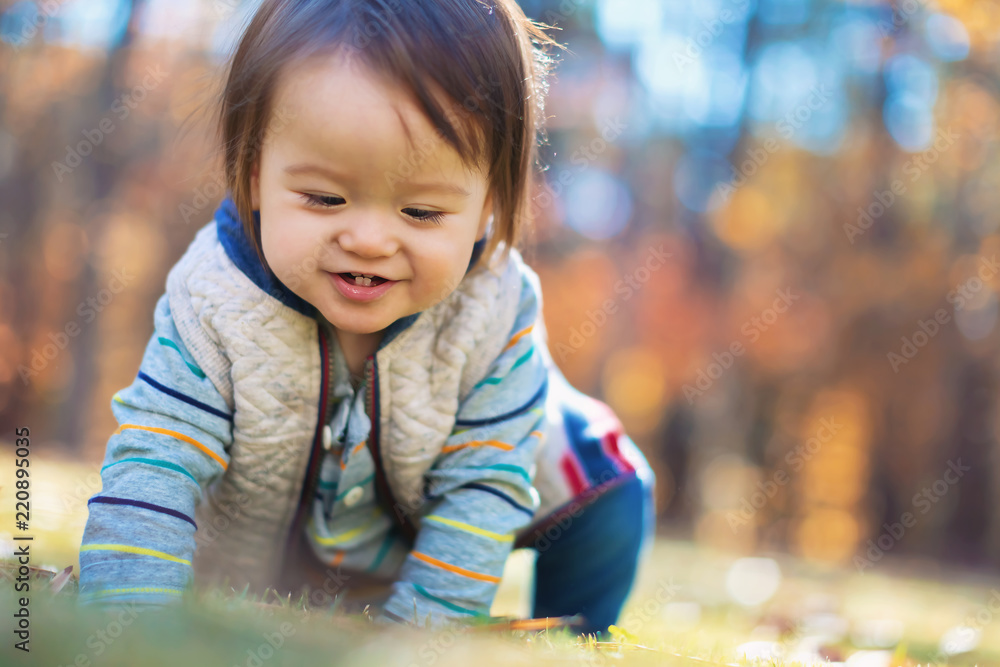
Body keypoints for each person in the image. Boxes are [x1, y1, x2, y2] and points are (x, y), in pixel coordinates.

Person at [79, 0, 655, 635]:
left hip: (430, 506)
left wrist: (421, 636)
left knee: (606, 480)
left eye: (422, 213)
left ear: (488, 203)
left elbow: (484, 485)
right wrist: (130, 619)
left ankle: (578, 629)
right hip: (270, 536)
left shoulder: (496, 306)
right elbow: (157, 457)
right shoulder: (213, 297)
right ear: (252, 174)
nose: (370, 240)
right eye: (325, 198)